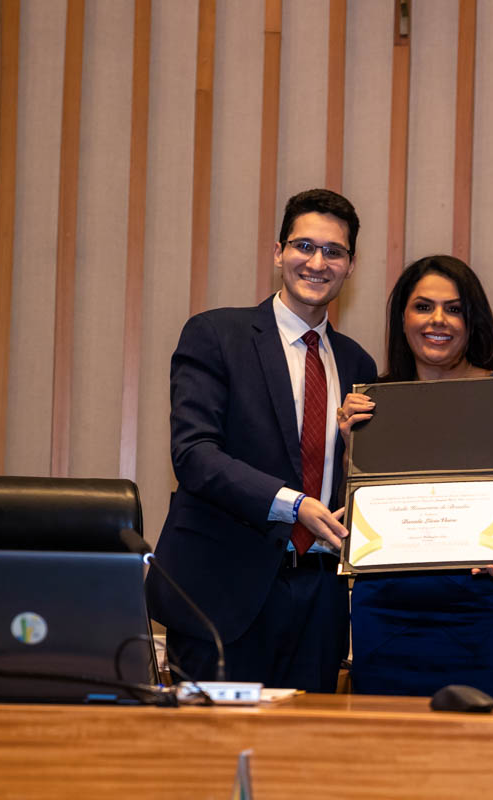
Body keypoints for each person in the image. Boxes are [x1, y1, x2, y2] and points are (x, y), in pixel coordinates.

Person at [146, 189, 377, 692]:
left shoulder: (359, 364)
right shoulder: (215, 335)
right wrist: (293, 506)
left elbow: (356, 481)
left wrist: (352, 449)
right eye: (304, 246)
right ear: (278, 253)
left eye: (333, 252)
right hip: (224, 595)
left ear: (351, 265)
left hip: (320, 599)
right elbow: (194, 456)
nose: (317, 262)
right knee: (207, 760)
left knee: (305, 761)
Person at [339, 254, 493, 700]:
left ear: (471, 321)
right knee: (390, 751)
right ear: (403, 318)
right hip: (387, 611)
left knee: (486, 754)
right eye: (423, 306)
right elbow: (362, 503)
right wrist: (349, 442)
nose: (438, 320)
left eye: (454, 309)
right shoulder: (373, 403)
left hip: (484, 609)